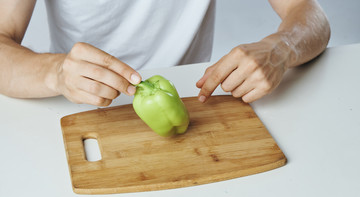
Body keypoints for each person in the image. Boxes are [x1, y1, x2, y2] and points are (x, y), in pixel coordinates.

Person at [0, 0, 330, 106]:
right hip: (79, 104)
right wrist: (55, 72)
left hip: (194, 103)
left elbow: (310, 13)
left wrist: (280, 47)